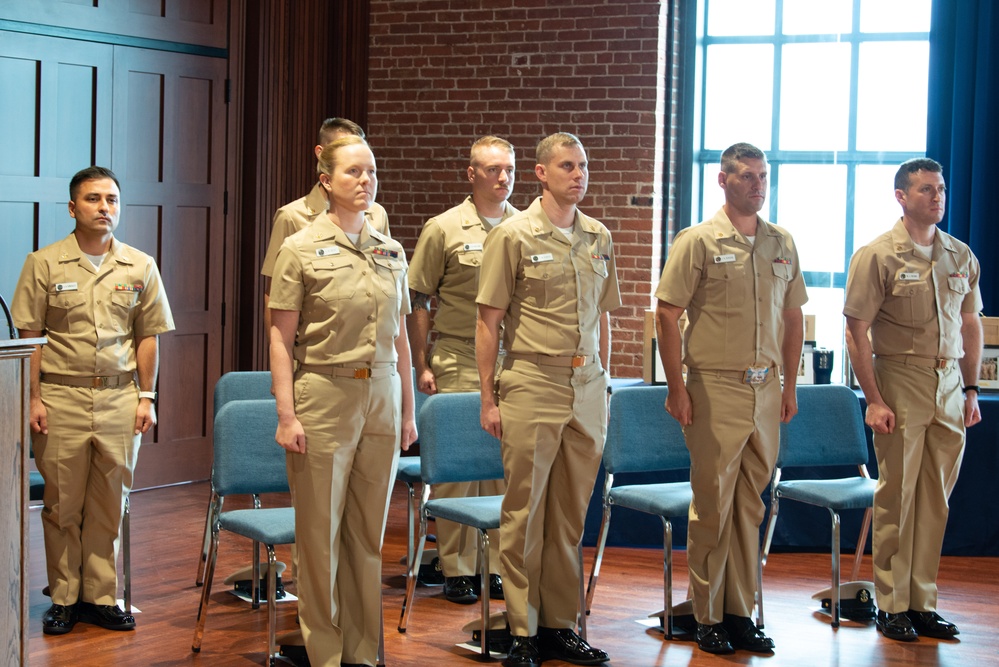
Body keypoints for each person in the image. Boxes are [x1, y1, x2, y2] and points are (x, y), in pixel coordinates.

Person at [269, 135, 417, 667]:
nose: (366, 181)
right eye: (353, 172)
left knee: (368, 535)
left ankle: (363, 651)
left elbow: (401, 337)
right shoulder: (300, 247)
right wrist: (287, 414)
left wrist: (408, 409)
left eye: (371, 171)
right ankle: (324, 652)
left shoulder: (390, 250)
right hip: (324, 393)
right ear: (327, 181)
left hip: (381, 393)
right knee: (320, 535)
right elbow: (281, 340)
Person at [654, 142, 806, 655]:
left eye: (763, 176)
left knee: (750, 506)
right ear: (722, 180)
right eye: (745, 176)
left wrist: (788, 384)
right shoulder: (697, 241)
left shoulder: (781, 241)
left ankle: (740, 611)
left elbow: (791, 318)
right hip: (714, 386)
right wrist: (677, 389)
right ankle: (707, 614)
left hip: (766, 390)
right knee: (714, 506)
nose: (757, 185)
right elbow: (666, 315)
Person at [476, 132, 619, 667]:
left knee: (569, 516)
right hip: (532, 383)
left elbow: (603, 315)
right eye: (567, 166)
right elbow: (488, 322)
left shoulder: (598, 235)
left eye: (583, 165)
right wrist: (488, 398)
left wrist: (604, 380)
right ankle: (522, 630)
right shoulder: (512, 235)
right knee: (524, 514)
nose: (579, 175)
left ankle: (561, 623)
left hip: (587, 389)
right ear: (540, 172)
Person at [12, 166, 175, 635]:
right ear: (72, 208)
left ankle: (100, 596)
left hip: (119, 399)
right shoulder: (43, 264)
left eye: (112, 200)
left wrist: (147, 397)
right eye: (93, 199)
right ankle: (63, 598)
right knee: (62, 504)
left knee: (111, 501)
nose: (105, 208)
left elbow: (148, 336)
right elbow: (30, 336)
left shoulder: (140, 265)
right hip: (60, 397)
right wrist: (33, 398)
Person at [844, 157, 983, 643]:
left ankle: (923, 602)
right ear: (901, 196)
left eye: (941, 189)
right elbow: (856, 330)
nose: (937, 197)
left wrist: (970, 389)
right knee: (897, 498)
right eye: (926, 189)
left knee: (934, 502)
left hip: (948, 385)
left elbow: (970, 324)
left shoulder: (960, 255)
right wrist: (874, 398)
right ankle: (892, 603)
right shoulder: (878, 254)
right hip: (899, 379)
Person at [407, 135, 519, 605]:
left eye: (509, 168)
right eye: (492, 169)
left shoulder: (527, 226)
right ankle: (456, 567)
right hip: (456, 358)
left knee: (500, 469)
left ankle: (492, 566)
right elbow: (417, 299)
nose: (502, 177)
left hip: (514, 363)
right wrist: (420, 361)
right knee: (458, 471)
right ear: (471, 174)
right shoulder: (444, 228)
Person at [261, 117, 391, 331]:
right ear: (321, 153)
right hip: (315, 344)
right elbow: (275, 293)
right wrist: (282, 351)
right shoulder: (292, 216)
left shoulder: (377, 214)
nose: (364, 178)